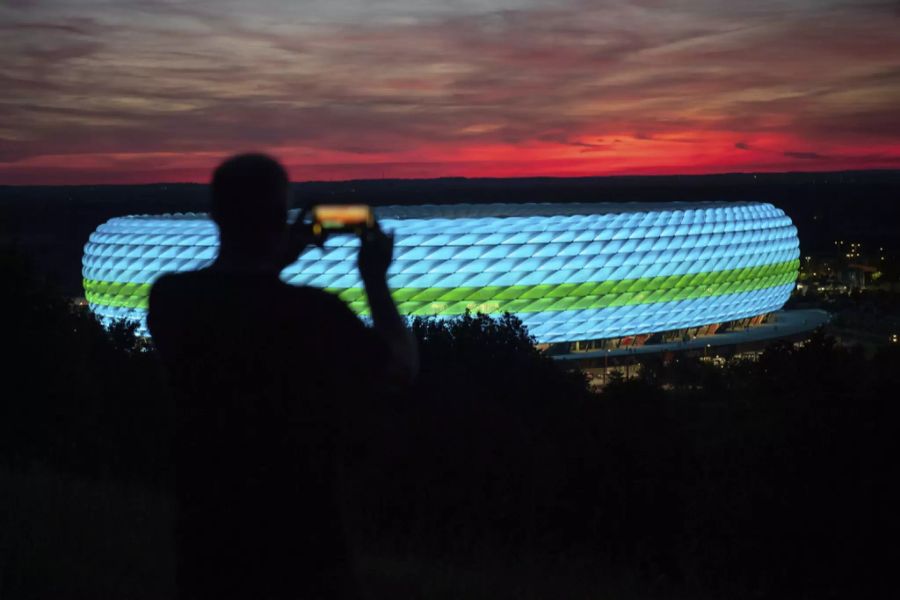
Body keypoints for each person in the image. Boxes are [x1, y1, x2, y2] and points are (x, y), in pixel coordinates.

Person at [148, 153, 418, 599]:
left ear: (214, 214)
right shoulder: (318, 314)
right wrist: (374, 280)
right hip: (306, 549)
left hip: (210, 544)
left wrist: (277, 251)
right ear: (280, 217)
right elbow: (401, 367)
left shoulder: (173, 300)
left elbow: (239, 297)